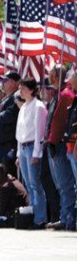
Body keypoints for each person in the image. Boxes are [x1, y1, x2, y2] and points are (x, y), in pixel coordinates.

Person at [43, 66, 76, 231]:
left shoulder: (66, 95)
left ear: (58, 76)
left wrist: (56, 140)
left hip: (62, 144)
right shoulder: (57, 95)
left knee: (66, 185)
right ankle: (65, 216)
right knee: (61, 185)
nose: (49, 77)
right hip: (54, 144)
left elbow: (66, 121)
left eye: (51, 74)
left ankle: (68, 218)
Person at [15, 78, 48, 229]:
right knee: (28, 183)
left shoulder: (38, 106)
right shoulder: (23, 107)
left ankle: (40, 218)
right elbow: (19, 131)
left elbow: (39, 132)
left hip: (31, 147)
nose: (20, 91)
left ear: (32, 90)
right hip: (22, 147)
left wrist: (36, 153)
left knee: (35, 183)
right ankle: (33, 215)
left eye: (23, 88)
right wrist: (17, 153)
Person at [0, 71, 20, 175]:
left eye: (5, 80)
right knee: (0, 176)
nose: (2, 83)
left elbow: (7, 117)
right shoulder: (7, 98)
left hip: (8, 145)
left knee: (8, 176)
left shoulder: (16, 98)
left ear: (12, 82)